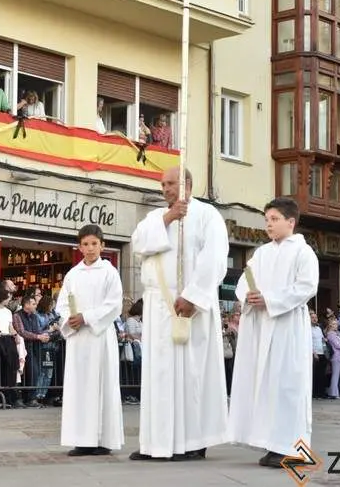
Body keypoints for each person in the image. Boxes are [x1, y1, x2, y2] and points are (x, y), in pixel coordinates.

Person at [130, 167, 229, 461]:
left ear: (187, 184)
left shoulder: (207, 215)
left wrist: (194, 296)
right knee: (158, 376)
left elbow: (214, 258)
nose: (165, 189)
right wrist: (168, 218)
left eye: (171, 183)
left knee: (190, 375)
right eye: (162, 184)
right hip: (158, 305)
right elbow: (137, 244)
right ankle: (156, 442)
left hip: (189, 306)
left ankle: (192, 441)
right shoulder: (154, 217)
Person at [228, 197, 319, 468]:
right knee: (267, 385)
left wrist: (271, 300)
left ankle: (296, 449)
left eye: (274, 219)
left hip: (287, 325)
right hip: (262, 326)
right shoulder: (262, 253)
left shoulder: (303, 252)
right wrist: (250, 296)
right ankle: (273, 444)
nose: (269, 225)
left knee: (288, 386)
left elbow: (307, 286)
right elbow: (244, 281)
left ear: (291, 222)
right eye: (266, 220)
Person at [55, 224, 124, 457]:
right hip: (79, 339)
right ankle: (82, 439)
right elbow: (62, 303)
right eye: (85, 244)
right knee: (79, 387)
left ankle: (104, 439)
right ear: (79, 247)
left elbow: (114, 304)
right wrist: (71, 319)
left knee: (103, 384)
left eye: (94, 243)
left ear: (103, 246)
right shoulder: (73, 274)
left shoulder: (109, 272)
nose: (90, 248)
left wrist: (87, 317)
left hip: (100, 336)